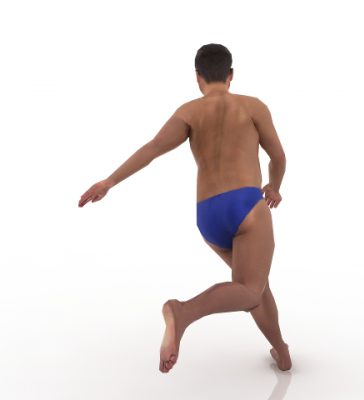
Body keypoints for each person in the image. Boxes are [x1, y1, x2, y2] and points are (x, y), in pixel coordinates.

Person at [78, 43, 292, 373]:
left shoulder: (189, 112)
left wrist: (109, 181)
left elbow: (152, 149)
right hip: (246, 205)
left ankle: (281, 351)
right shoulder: (252, 106)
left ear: (197, 77)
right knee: (250, 290)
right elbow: (278, 156)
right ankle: (183, 311)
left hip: (209, 214)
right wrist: (274, 186)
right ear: (231, 75)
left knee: (252, 287)